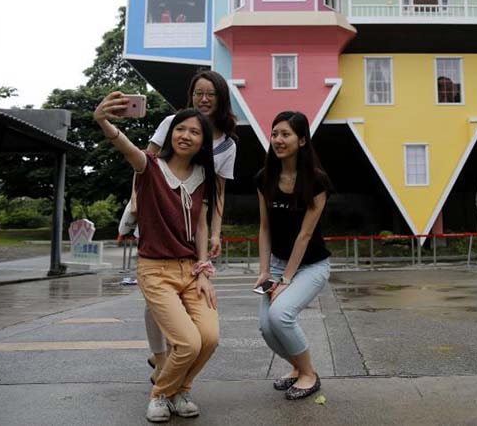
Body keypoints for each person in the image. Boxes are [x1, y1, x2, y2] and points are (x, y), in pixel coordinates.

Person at [95, 95, 220, 422]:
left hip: (191, 270)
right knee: (188, 343)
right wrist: (103, 121)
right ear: (170, 133)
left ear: (203, 142)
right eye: (180, 128)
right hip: (155, 270)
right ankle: (160, 394)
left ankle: (180, 389)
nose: (186, 135)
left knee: (209, 337)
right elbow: (127, 148)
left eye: (195, 132)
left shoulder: (203, 178)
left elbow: (203, 225)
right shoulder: (149, 167)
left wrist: (204, 269)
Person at [140, 70, 238, 386]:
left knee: (190, 295)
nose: (204, 99)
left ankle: (175, 361)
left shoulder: (227, 145)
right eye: (198, 93)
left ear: (221, 98)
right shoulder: (172, 123)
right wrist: (134, 211)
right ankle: (160, 358)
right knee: (155, 296)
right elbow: (145, 165)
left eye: (211, 94)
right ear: (191, 95)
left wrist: (215, 233)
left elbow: (217, 194)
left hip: (193, 222)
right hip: (157, 216)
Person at [254, 111, 333, 400]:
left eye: (285, 134)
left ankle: (309, 374)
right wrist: (265, 271)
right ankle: (297, 369)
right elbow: (264, 228)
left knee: (281, 315)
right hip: (276, 264)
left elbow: (305, 235)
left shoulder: (316, 181)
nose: (278, 140)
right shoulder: (265, 178)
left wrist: (286, 279)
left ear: (301, 140)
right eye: (275, 134)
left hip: (311, 266)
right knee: (266, 327)